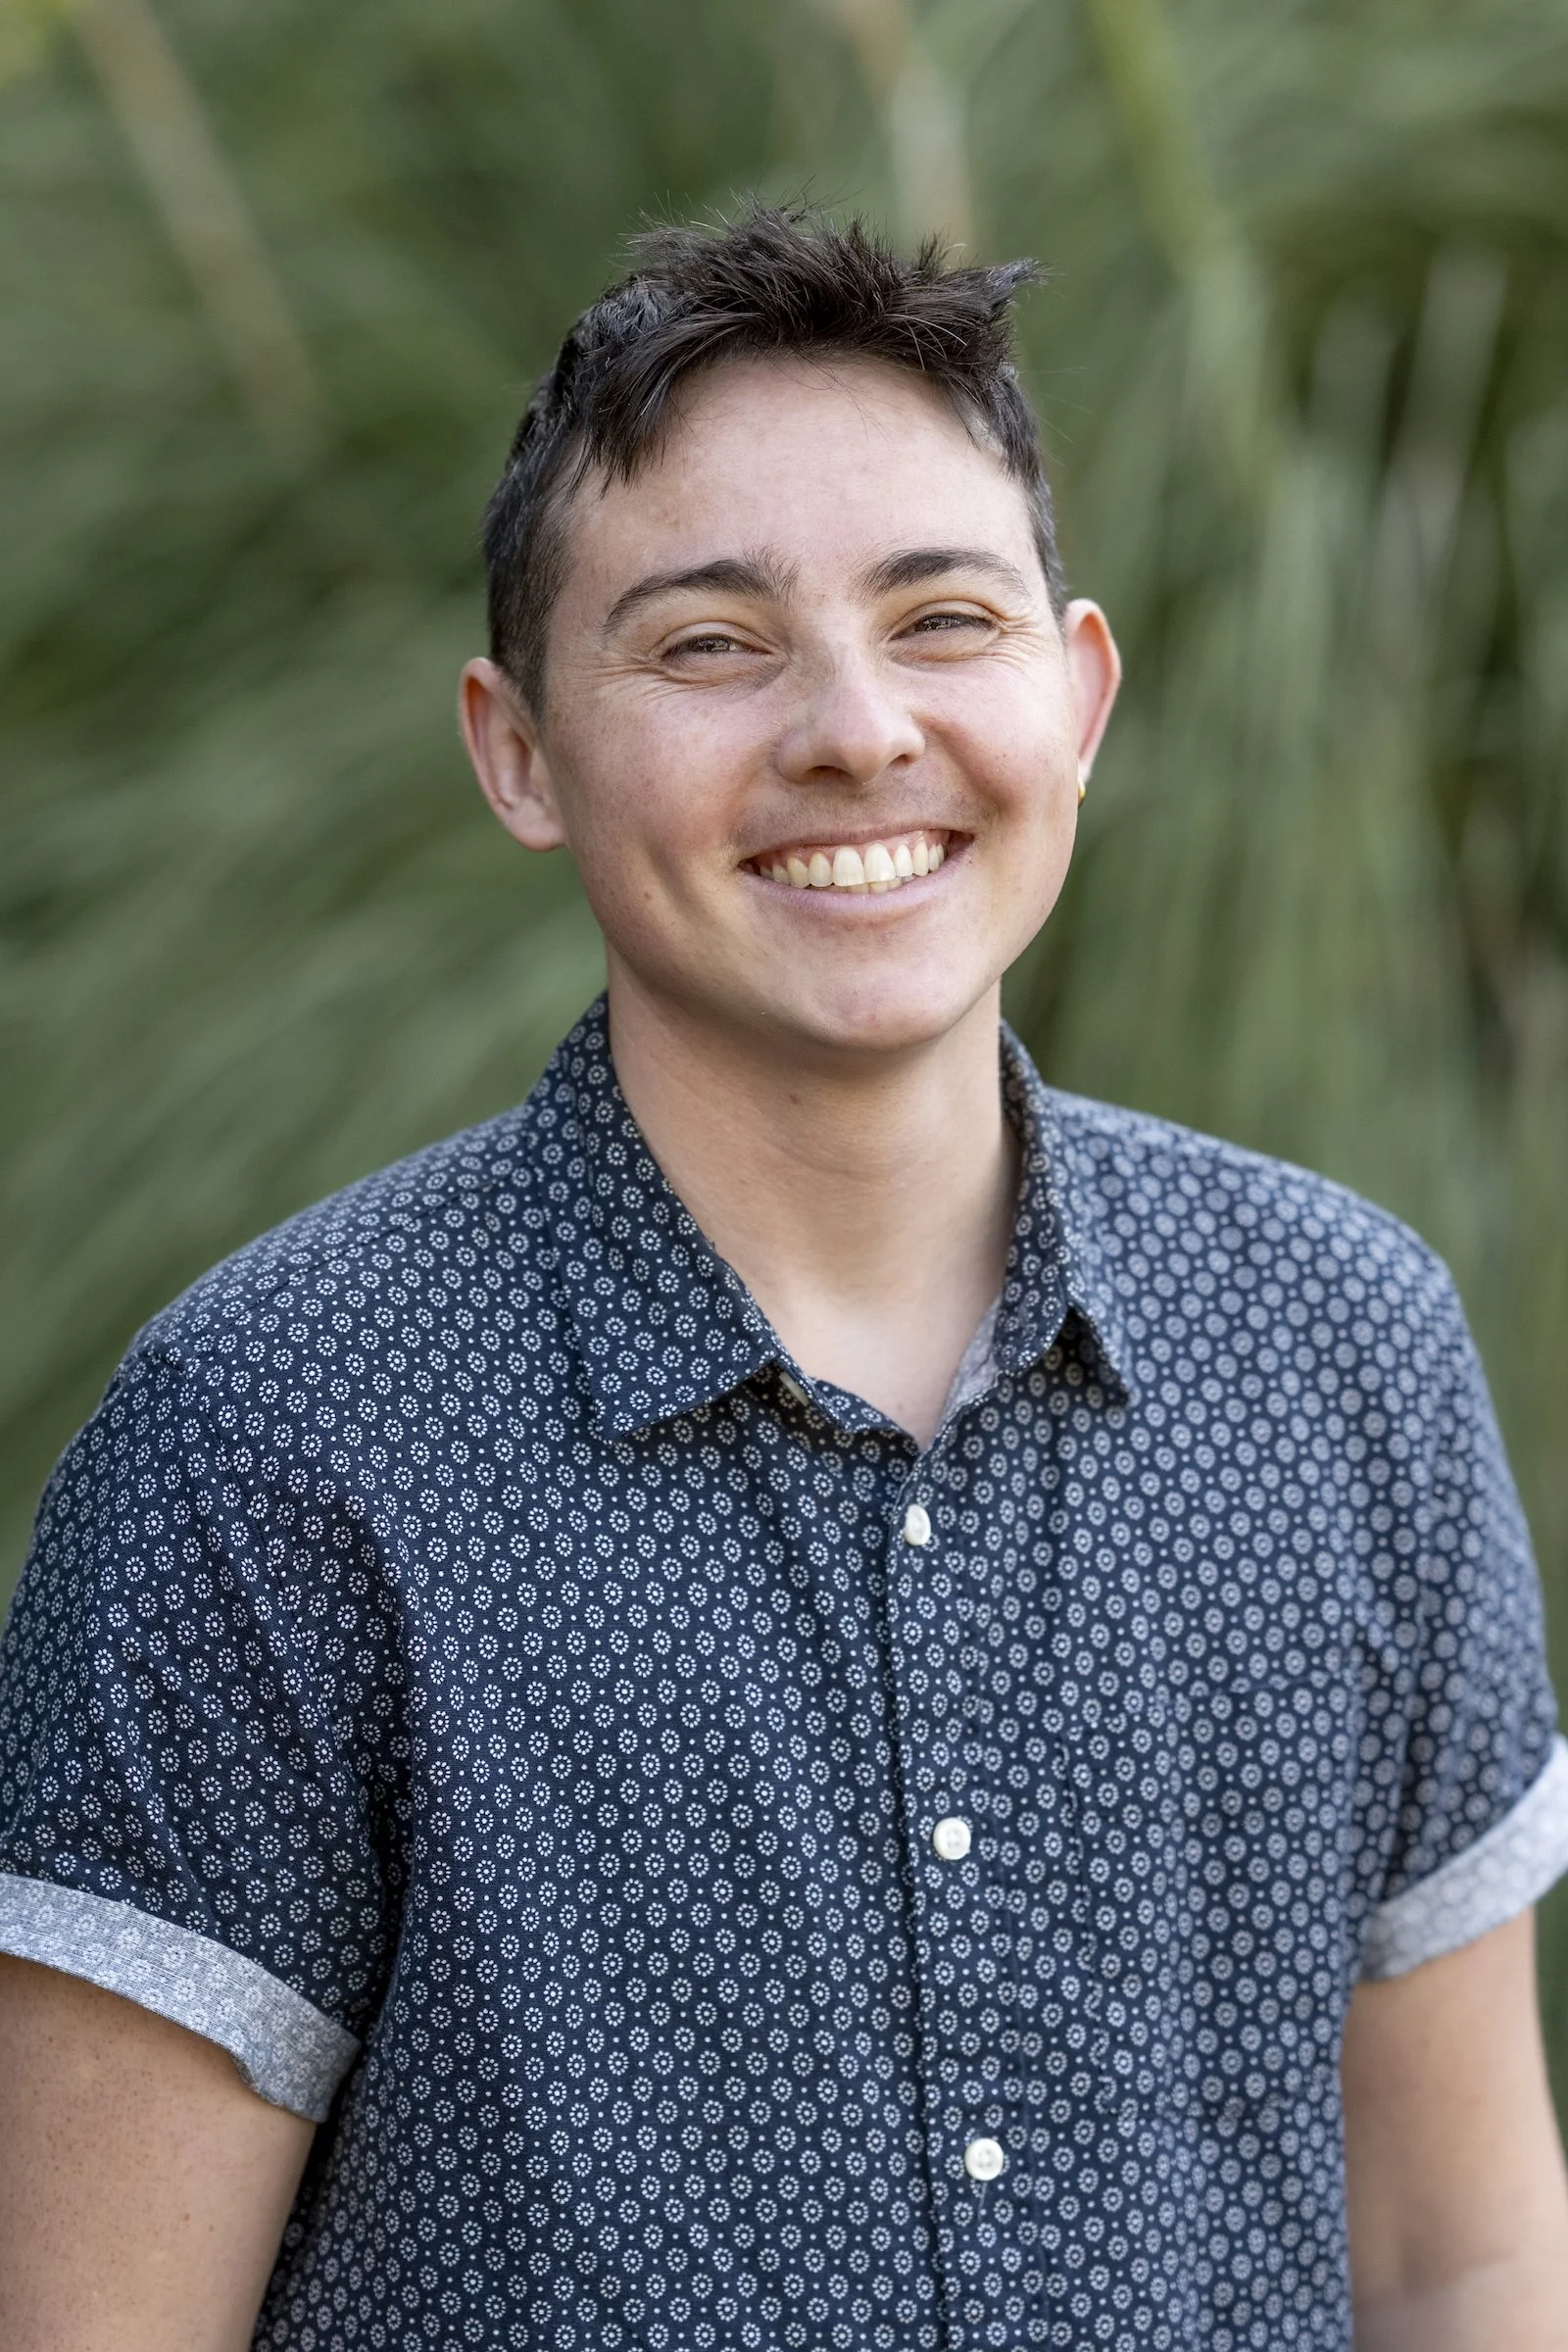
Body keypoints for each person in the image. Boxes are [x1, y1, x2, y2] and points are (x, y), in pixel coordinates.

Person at [1, 205, 1566, 2352]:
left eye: (942, 619)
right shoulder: (272, 1443)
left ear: (1075, 692)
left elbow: (1459, 2253)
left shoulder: (1339, 1347)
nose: (852, 730)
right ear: (517, 747)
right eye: (709, 643)